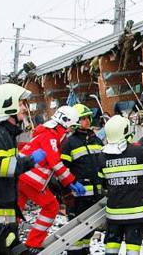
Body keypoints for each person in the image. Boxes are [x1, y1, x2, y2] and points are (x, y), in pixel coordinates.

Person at [0, 83, 47, 255]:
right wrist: (30, 161)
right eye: (20, 103)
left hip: (2, 213)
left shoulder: (4, 134)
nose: (24, 108)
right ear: (8, 105)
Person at [17, 106, 86, 253]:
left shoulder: (45, 133)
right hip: (30, 179)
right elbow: (55, 163)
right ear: (65, 123)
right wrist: (72, 181)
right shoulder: (51, 136)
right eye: (71, 127)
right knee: (51, 206)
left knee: (15, 210)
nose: (70, 132)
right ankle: (33, 243)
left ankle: (7, 240)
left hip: (20, 177)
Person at [97, 115, 143, 255]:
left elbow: (102, 184)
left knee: (111, 246)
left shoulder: (102, 156)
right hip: (135, 213)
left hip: (114, 215)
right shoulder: (138, 151)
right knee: (133, 247)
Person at [61, 103, 104, 255]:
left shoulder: (97, 141)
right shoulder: (69, 143)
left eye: (88, 118)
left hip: (95, 194)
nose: (86, 121)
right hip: (77, 197)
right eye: (82, 118)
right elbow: (62, 170)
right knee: (75, 233)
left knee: (89, 231)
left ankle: (85, 251)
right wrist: (67, 194)